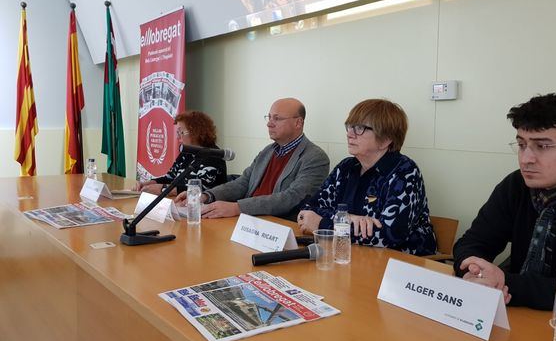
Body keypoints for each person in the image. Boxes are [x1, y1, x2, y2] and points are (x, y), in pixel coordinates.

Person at [453, 94, 556, 314]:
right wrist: (477, 272)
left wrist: (507, 283)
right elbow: (472, 243)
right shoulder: (516, 185)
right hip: (522, 318)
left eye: (542, 146)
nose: (526, 159)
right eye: (522, 145)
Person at [297, 99, 437, 255]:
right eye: (349, 126)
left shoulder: (405, 172)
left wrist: (324, 224)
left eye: (360, 128)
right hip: (351, 254)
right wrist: (348, 218)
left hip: (402, 264)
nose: (349, 133)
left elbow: (388, 235)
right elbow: (308, 209)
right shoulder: (346, 167)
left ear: (386, 139)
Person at [177, 98, 329, 220]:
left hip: (278, 225)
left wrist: (237, 207)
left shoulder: (315, 157)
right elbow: (243, 182)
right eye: (269, 117)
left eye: (277, 118)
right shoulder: (267, 152)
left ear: (298, 123)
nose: (269, 123)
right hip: (249, 221)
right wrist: (205, 195)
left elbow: (291, 198)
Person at [134, 111, 227, 196]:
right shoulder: (187, 153)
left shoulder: (213, 155)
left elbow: (200, 189)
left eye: (181, 132)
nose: (178, 137)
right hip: (182, 203)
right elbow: (170, 178)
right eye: (177, 132)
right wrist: (147, 183)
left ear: (195, 132)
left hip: (204, 208)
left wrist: (163, 189)